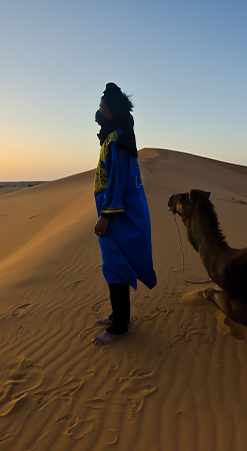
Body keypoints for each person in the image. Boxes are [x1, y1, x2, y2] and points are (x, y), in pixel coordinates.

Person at [92, 82, 157, 345]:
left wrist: (106, 215)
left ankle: (120, 326)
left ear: (109, 112)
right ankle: (118, 315)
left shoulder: (117, 139)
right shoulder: (114, 136)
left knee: (116, 266)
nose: (97, 110)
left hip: (121, 215)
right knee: (113, 265)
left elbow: (117, 180)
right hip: (118, 212)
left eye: (101, 106)